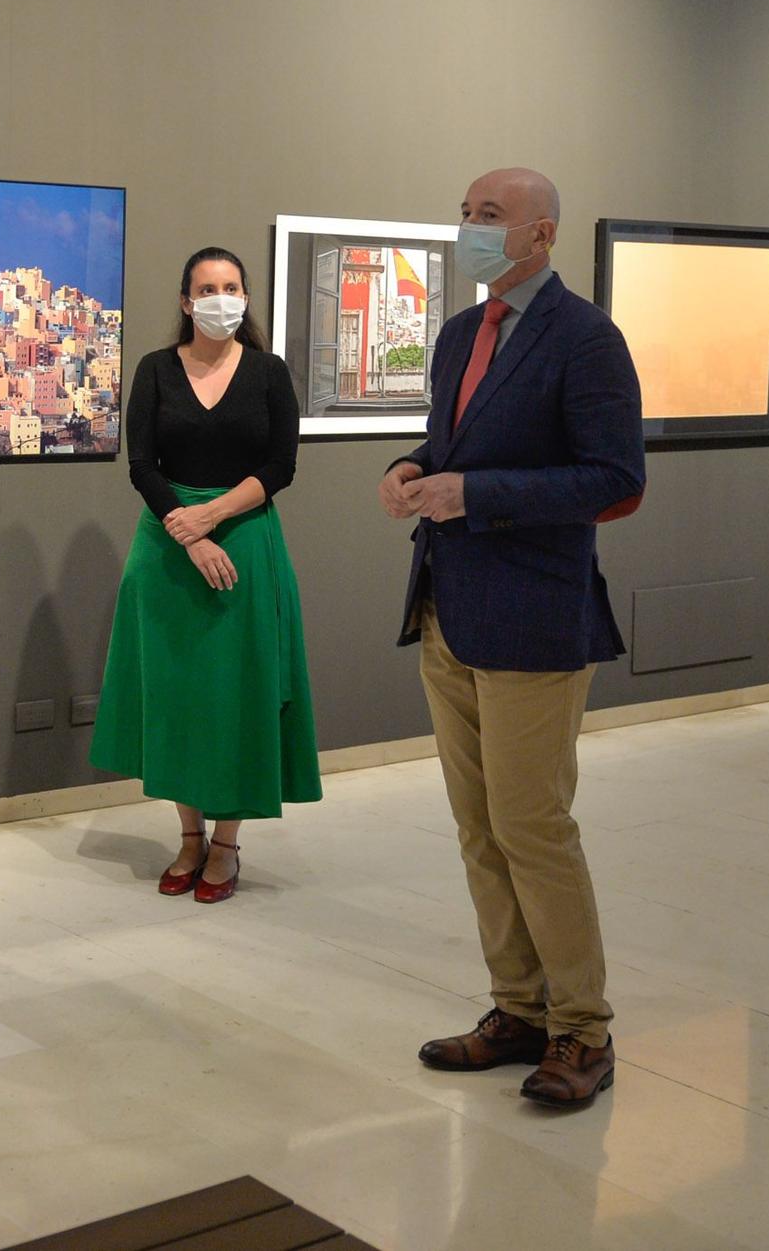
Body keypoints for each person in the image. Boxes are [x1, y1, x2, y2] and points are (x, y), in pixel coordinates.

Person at [379, 167, 643, 1108]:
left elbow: (614, 479)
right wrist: (415, 466)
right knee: (479, 827)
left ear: (543, 234)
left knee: (534, 826)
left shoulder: (586, 338)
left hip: (533, 614)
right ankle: (517, 1007)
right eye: (464, 215)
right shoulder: (460, 335)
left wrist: (476, 496)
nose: (471, 230)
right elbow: (453, 447)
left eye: (489, 217)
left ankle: (582, 1029)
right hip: (448, 605)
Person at [91, 248, 322, 902]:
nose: (221, 297)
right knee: (177, 694)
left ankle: (226, 842)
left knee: (238, 693)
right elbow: (143, 465)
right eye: (207, 288)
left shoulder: (269, 373)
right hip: (167, 548)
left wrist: (212, 516)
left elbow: (281, 465)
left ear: (244, 297)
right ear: (186, 301)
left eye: (232, 286)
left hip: (246, 540)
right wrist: (188, 532)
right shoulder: (156, 369)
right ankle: (187, 836)